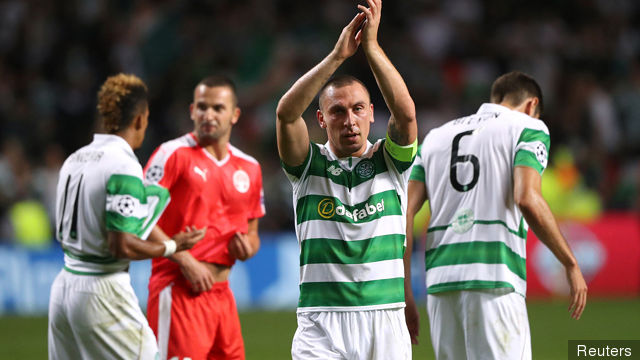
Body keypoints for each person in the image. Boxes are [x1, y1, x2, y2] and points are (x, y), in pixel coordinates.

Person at [404, 71, 588, 359]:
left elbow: (404, 214)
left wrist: (405, 293)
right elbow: (527, 198)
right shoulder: (528, 127)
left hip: (440, 284)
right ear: (532, 106)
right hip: (494, 277)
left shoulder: (435, 138)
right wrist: (570, 262)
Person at [276, 1, 418, 358]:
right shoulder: (308, 165)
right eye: (337, 111)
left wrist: (371, 48)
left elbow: (406, 113)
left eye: (358, 109)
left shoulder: (391, 161)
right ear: (322, 120)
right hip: (321, 323)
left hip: (384, 321)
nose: (349, 120)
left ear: (371, 113)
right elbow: (286, 113)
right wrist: (338, 56)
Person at [48, 73, 205, 360]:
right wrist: (172, 246)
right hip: (101, 290)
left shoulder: (75, 159)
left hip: (64, 287)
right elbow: (122, 245)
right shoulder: (123, 165)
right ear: (139, 120)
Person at [144, 75, 265, 360]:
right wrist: (184, 259)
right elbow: (140, 216)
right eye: (202, 107)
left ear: (234, 115)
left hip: (223, 295)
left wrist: (248, 248)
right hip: (178, 290)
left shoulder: (250, 167)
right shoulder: (171, 154)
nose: (208, 115)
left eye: (217, 108)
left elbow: (253, 232)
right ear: (191, 111)